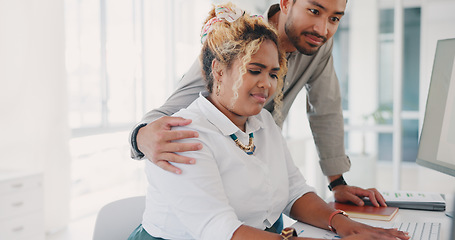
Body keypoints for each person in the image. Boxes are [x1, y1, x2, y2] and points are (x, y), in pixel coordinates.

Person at [128, 4, 409, 239]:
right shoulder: (182, 136)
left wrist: (344, 222)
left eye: (274, 74)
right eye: (254, 70)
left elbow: (297, 186)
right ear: (218, 70)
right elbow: (219, 230)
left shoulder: (262, 122)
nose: (266, 85)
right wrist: (140, 136)